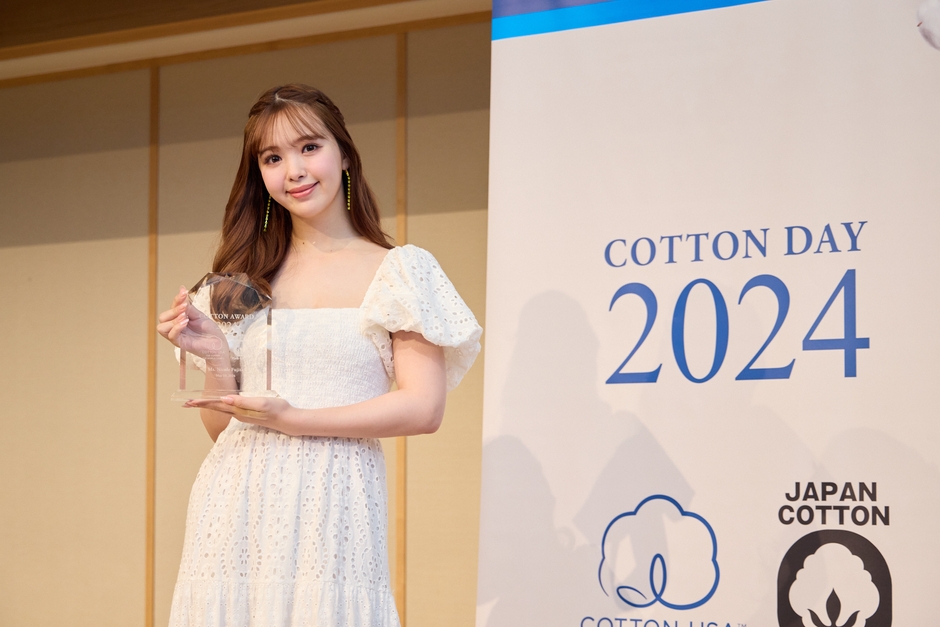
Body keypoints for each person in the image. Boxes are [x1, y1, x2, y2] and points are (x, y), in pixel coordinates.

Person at [156, 83, 482, 626]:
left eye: (309, 147)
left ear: (344, 154)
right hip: (233, 502)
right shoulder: (239, 282)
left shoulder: (401, 271)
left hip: (336, 500)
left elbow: (424, 408)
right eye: (273, 158)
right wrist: (214, 356)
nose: (294, 170)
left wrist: (294, 419)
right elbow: (222, 429)